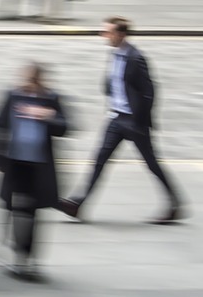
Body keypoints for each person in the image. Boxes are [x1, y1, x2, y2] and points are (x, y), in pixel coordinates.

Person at [57, 17, 185, 224]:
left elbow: (149, 92)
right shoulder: (114, 54)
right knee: (99, 161)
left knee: (152, 163)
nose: (104, 36)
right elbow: (114, 84)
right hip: (116, 118)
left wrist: (140, 120)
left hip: (134, 121)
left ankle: (175, 204)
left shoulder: (136, 58)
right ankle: (77, 204)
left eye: (108, 32)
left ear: (121, 34)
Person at [0, 62, 69, 282]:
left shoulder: (50, 99)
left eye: (32, 81)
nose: (27, 85)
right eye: (25, 80)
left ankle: (25, 256)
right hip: (14, 165)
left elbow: (65, 127)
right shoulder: (12, 97)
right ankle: (9, 251)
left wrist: (47, 116)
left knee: (30, 213)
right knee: (9, 210)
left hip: (38, 167)